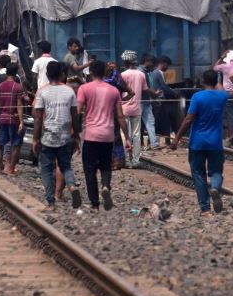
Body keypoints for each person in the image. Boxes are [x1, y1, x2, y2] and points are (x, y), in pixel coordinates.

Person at [170, 69, 227, 216]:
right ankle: (215, 188)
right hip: (215, 143)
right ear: (216, 82)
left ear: (202, 81)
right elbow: (220, 88)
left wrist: (177, 138)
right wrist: (217, 79)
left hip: (197, 142)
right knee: (216, 171)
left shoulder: (197, 97)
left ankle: (205, 209)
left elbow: (188, 119)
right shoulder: (222, 97)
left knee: (198, 174)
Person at [31, 61, 82, 210]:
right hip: (65, 136)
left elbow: (38, 117)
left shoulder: (42, 92)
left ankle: (50, 202)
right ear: (61, 74)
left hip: (48, 137)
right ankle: (72, 186)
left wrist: (35, 139)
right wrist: (77, 136)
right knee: (65, 166)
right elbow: (75, 115)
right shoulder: (69, 91)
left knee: (46, 169)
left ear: (47, 75)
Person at [77, 60, 126, 210]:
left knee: (89, 169)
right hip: (107, 135)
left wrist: (74, 132)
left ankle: (95, 204)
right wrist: (128, 137)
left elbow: (78, 112)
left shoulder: (84, 88)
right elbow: (120, 116)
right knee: (106, 165)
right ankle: (105, 186)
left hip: (91, 134)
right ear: (105, 73)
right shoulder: (113, 91)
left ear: (90, 72)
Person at [0, 63, 27, 175]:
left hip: (2, 118)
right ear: (16, 73)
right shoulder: (18, 86)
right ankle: (11, 169)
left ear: (7, 72)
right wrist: (21, 121)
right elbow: (19, 105)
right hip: (14, 119)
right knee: (16, 144)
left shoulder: (0, 86)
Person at [118, 51, 148, 167]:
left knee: (124, 134)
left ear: (125, 61)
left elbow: (119, 90)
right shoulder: (141, 74)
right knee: (136, 135)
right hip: (137, 108)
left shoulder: (123, 75)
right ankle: (136, 160)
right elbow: (144, 89)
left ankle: (125, 160)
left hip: (124, 108)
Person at [213, 50, 233, 144]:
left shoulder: (224, 66)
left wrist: (221, 58)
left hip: (229, 94)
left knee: (231, 117)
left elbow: (214, 68)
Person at [148, 56, 179, 143]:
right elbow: (164, 87)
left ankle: (155, 140)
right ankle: (164, 141)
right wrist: (175, 93)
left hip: (155, 100)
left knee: (157, 121)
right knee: (164, 121)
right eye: (167, 65)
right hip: (159, 101)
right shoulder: (158, 73)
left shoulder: (153, 72)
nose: (168, 68)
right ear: (163, 63)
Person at [139, 54, 161, 151]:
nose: (154, 66)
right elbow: (144, 88)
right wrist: (154, 94)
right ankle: (137, 144)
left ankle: (154, 143)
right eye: (153, 63)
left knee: (150, 122)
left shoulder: (145, 72)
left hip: (145, 100)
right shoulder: (141, 72)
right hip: (140, 100)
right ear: (147, 61)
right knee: (139, 123)